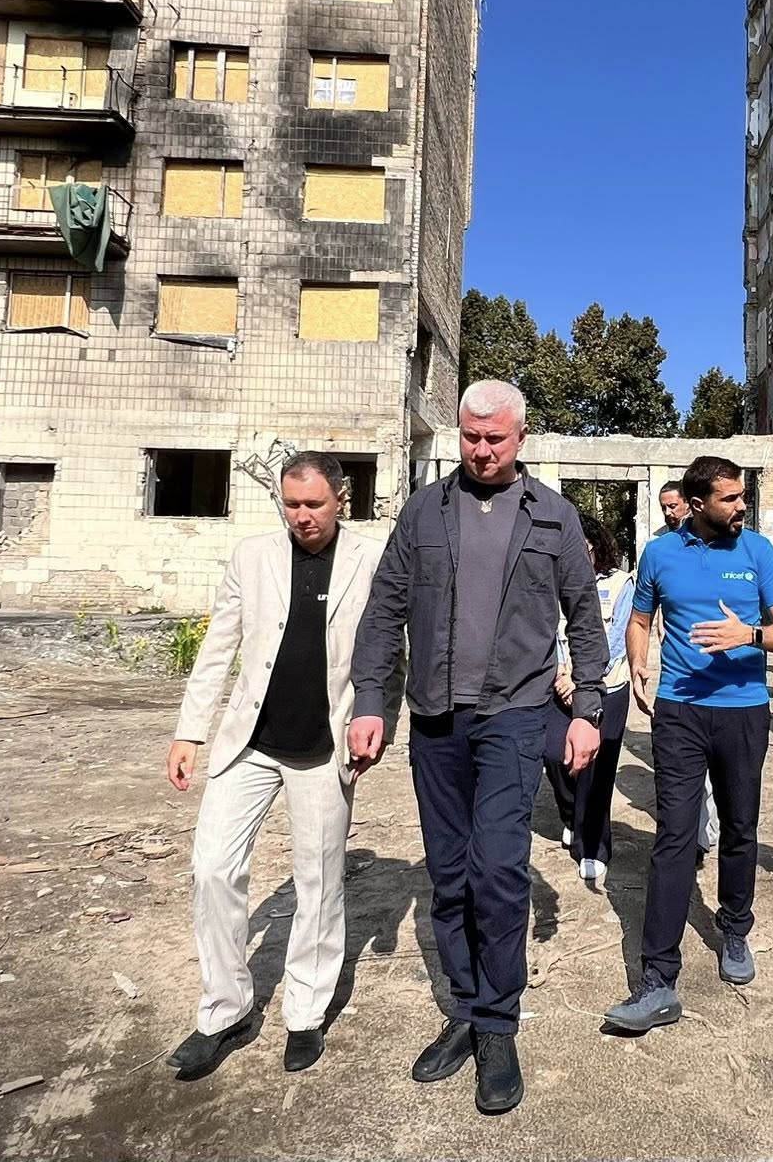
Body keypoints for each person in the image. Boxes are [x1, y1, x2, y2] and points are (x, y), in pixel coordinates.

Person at [348, 380, 608, 1116]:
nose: (482, 450)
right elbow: (384, 610)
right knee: (450, 873)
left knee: (498, 868)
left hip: (514, 717)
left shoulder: (554, 516)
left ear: (521, 437)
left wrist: (588, 709)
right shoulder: (424, 511)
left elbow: (584, 618)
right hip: (435, 719)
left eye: (495, 438)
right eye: (470, 436)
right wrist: (370, 702)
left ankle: (497, 1024)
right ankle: (465, 1008)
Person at [164, 453, 384, 1079]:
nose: (302, 516)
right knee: (212, 868)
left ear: (340, 499)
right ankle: (225, 1010)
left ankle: (305, 1012)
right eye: (291, 504)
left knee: (318, 880)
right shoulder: (252, 556)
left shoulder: (370, 560)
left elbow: (384, 653)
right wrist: (189, 731)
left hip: (325, 746)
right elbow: (219, 646)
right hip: (249, 742)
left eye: (314, 504)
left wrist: (377, 722)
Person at [604, 456, 773, 1034]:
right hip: (680, 712)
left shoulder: (757, 551)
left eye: (743, 496)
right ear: (697, 504)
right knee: (674, 835)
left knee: (740, 826)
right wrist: (638, 663)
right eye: (730, 498)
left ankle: (735, 928)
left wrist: (750, 634)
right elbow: (640, 620)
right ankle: (657, 979)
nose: (742, 505)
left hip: (743, 711)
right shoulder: (660, 553)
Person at [545, 514, 633, 886]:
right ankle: (572, 815)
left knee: (597, 772)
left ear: (593, 545)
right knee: (554, 755)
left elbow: (616, 640)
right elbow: (547, 631)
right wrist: (559, 673)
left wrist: (582, 679)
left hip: (606, 688)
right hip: (558, 685)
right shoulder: (550, 581)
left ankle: (594, 847)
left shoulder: (620, 584)